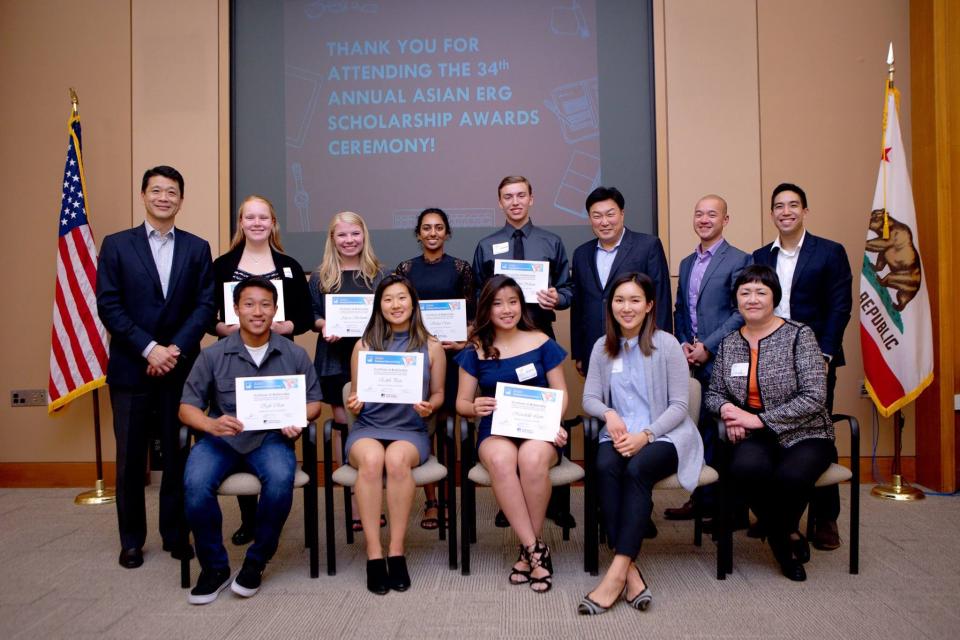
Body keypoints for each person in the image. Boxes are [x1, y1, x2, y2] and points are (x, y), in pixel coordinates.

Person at [96, 165, 215, 569]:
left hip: (180, 369)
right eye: (157, 191)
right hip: (132, 367)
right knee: (131, 458)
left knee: (180, 453)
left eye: (172, 192)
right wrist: (149, 349)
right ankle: (131, 540)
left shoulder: (198, 248)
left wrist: (174, 349)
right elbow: (108, 305)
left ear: (182, 199)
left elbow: (204, 306)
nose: (164, 198)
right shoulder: (116, 245)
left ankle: (175, 534)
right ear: (143, 195)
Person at [179, 277, 322, 604]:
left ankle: (256, 562)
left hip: (270, 441)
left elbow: (314, 402)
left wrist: (298, 418)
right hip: (221, 439)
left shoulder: (293, 353)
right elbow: (187, 408)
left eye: (265, 305)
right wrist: (209, 425)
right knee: (195, 483)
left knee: (279, 481)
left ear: (275, 310)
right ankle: (214, 568)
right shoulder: (212, 355)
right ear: (235, 309)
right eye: (249, 304)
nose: (257, 312)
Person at [577, 272, 703, 615]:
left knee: (637, 469)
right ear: (611, 306)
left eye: (635, 300)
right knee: (603, 466)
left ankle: (616, 573)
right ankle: (631, 572)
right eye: (620, 300)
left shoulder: (668, 345)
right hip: (619, 431)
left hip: (666, 433)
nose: (627, 307)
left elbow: (679, 405)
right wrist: (609, 414)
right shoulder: (602, 347)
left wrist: (645, 436)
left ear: (649, 305)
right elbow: (588, 398)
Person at [705, 265, 835, 582]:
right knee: (746, 470)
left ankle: (779, 542)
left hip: (806, 432)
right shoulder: (730, 343)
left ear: (774, 297)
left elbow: (815, 396)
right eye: (745, 292)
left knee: (791, 476)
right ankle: (786, 535)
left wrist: (757, 419)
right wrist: (727, 411)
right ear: (736, 300)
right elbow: (713, 393)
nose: (753, 299)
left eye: (761, 292)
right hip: (754, 434)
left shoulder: (799, 335)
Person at [751, 183, 852, 551]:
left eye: (793, 205)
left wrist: (823, 356)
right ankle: (779, 513)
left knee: (818, 431)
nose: (786, 212)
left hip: (815, 360)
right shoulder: (761, 255)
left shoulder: (828, 252)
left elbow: (839, 307)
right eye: (779, 206)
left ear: (805, 211)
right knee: (772, 430)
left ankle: (825, 519)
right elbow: (754, 305)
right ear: (772, 213)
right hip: (771, 361)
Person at [455, 275, 569, 594]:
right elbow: (461, 402)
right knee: (503, 460)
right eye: (497, 303)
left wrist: (551, 423)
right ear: (486, 309)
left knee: (531, 458)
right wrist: (473, 405)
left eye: (513, 301)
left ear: (522, 304)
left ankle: (527, 552)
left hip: (539, 428)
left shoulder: (542, 341)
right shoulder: (476, 350)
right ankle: (535, 548)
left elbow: (561, 393)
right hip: (497, 429)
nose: (506, 309)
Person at [472, 176, 575, 528]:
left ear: (532, 199)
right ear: (500, 202)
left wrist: (558, 298)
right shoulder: (487, 246)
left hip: (538, 335)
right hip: (499, 342)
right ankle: (511, 502)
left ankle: (555, 505)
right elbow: (478, 296)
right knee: (505, 408)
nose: (514, 202)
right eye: (507, 197)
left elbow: (569, 289)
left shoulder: (552, 241)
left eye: (520, 195)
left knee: (543, 411)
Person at [212, 195, 314, 547]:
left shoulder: (288, 265)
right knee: (243, 426)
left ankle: (271, 510)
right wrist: (224, 329)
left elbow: (304, 316)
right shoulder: (223, 266)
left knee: (272, 431)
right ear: (241, 223)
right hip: (236, 359)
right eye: (250, 217)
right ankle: (248, 518)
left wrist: (286, 327)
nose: (257, 223)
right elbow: (211, 316)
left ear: (273, 223)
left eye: (263, 217)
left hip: (278, 358)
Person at [345, 274, 446, 594]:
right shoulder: (364, 345)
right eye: (387, 299)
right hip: (368, 427)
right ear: (379, 306)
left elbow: (440, 393)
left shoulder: (432, 345)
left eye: (402, 297)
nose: (395, 305)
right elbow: (356, 395)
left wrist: (431, 406)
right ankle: (374, 554)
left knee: (397, 459)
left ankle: (397, 551)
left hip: (409, 429)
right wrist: (354, 401)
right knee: (373, 460)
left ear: (413, 302)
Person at [664, 194, 749, 523]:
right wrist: (685, 343)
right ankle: (702, 499)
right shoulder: (686, 263)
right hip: (692, 360)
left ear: (725, 220)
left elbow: (740, 311)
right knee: (697, 429)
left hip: (724, 359)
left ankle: (732, 508)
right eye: (699, 214)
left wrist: (708, 346)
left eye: (712, 214)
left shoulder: (739, 259)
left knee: (726, 431)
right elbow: (680, 310)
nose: (704, 220)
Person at [395, 207, 474, 530]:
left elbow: (472, 315)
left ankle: (456, 497)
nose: (432, 233)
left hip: (453, 358)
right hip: (416, 360)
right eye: (426, 228)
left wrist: (463, 339)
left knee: (453, 428)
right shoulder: (405, 269)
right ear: (418, 233)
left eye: (438, 228)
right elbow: (398, 311)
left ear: (447, 232)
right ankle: (431, 502)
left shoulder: (461, 268)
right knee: (424, 424)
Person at [308, 211, 386, 531]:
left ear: (364, 235)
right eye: (342, 235)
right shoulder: (321, 276)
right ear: (332, 239)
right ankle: (356, 500)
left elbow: (393, 313)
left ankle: (374, 497)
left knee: (372, 424)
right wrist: (324, 324)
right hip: (334, 359)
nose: (349, 240)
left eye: (355, 234)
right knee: (345, 424)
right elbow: (312, 315)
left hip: (374, 358)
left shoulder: (379, 274)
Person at [570, 186, 672, 378]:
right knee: (601, 405)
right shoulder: (581, 253)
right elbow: (578, 307)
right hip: (596, 347)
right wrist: (580, 352)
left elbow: (661, 299)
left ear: (622, 214)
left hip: (640, 346)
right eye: (597, 216)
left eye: (610, 214)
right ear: (590, 218)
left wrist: (661, 348)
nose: (604, 222)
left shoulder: (648, 246)